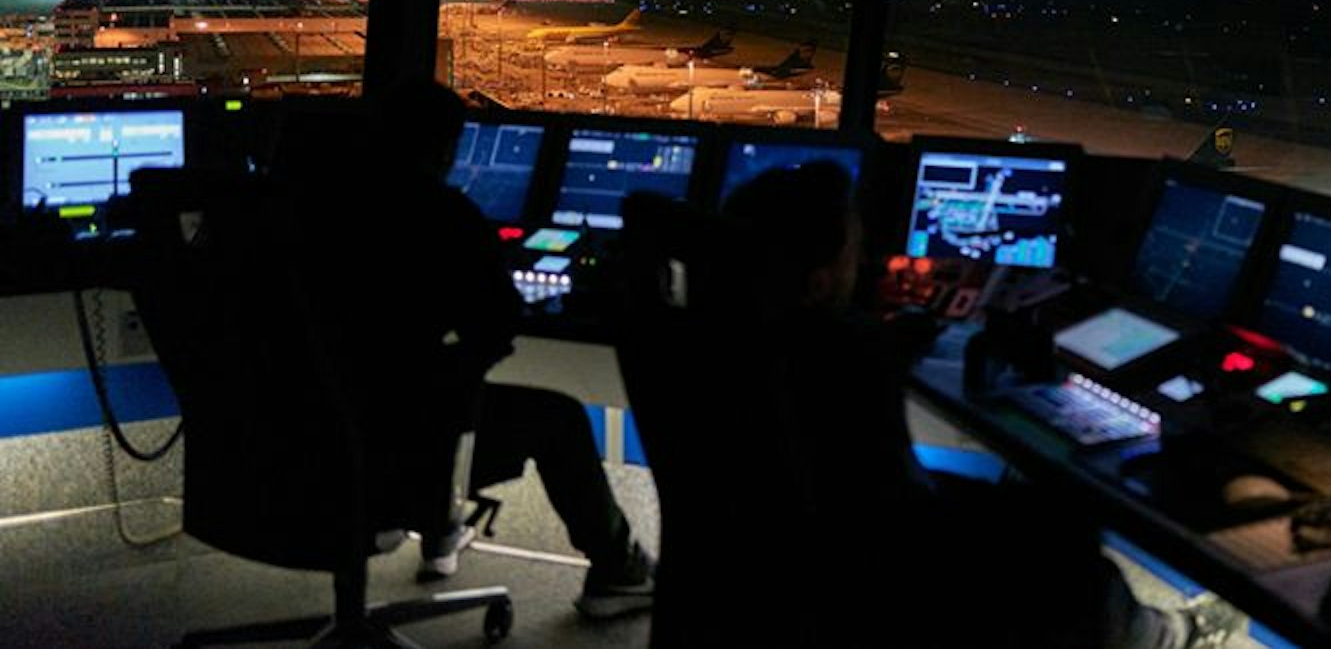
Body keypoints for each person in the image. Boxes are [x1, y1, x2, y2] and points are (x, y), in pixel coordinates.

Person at [721, 161, 1242, 649]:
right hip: (873, 568)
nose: (863, 264)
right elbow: (893, 508)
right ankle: (1162, 633)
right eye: (855, 254)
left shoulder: (724, 337)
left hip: (792, 556)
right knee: (1059, 527)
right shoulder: (849, 355)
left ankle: (1152, 628)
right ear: (818, 283)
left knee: (1024, 508)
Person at [287, 80, 653, 619]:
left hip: (289, 445)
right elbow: (497, 327)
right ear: (446, 149)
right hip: (397, 446)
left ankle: (440, 524)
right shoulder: (442, 215)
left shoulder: (299, 214)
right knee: (557, 416)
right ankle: (618, 571)